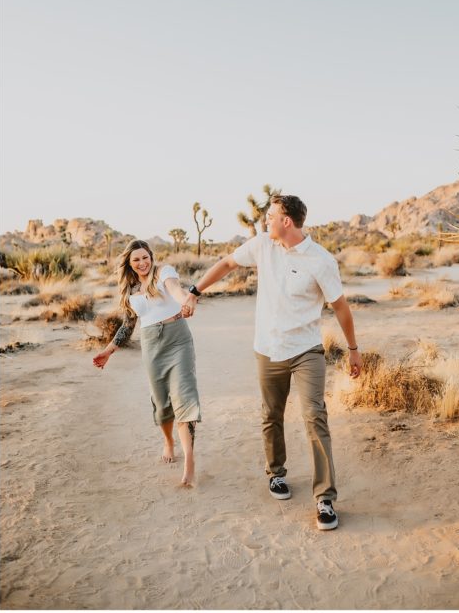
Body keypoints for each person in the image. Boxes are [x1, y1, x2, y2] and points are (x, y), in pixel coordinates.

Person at [182, 194, 363, 531]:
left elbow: (340, 307)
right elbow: (226, 264)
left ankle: (325, 498)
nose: (266, 219)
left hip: (306, 348)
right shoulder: (263, 244)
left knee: (315, 416)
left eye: (271, 215)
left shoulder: (321, 260)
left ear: (287, 221)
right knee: (271, 414)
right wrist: (195, 290)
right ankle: (276, 473)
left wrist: (353, 348)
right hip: (268, 348)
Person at [92, 240, 201, 487]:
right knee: (162, 402)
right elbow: (128, 325)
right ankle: (168, 442)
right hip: (151, 344)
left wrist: (186, 298)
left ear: (151, 256)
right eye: (136, 260)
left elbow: (175, 289)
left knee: (185, 396)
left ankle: (190, 463)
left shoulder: (164, 272)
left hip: (178, 339)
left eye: (145, 257)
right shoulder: (130, 290)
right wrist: (108, 351)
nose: (142, 263)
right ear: (129, 265)